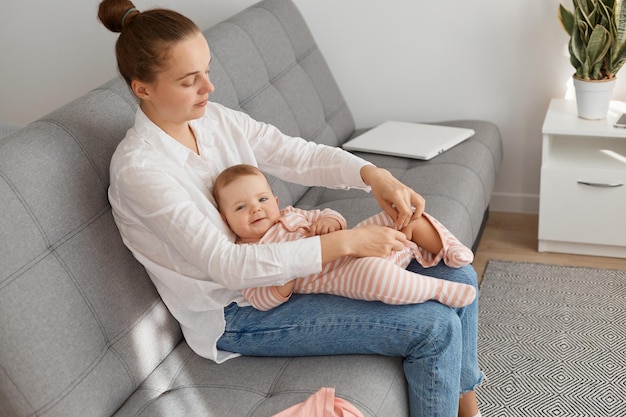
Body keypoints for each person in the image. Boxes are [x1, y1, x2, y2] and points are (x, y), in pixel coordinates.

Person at [98, 1, 484, 416]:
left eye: (207, 71)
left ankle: (465, 408)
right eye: (190, 81)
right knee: (434, 328)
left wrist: (375, 176)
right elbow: (227, 265)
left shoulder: (215, 120)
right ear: (143, 88)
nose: (208, 88)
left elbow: (296, 155)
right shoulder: (141, 170)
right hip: (238, 311)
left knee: (457, 272)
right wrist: (345, 243)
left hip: (292, 270)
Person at [212, 164, 476, 310]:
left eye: (262, 199)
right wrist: (288, 272)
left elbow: (332, 215)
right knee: (375, 273)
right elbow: (261, 300)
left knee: (399, 215)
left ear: (276, 201)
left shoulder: (290, 214)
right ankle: (440, 290)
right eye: (240, 207)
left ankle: (447, 246)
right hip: (342, 273)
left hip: (362, 242)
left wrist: (329, 222)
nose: (256, 209)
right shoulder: (245, 256)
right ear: (226, 220)